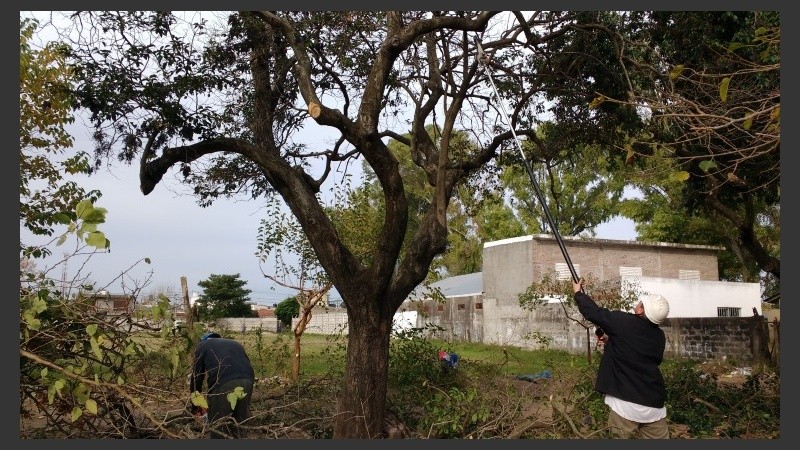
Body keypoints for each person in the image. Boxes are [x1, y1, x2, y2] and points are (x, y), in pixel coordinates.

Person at [573, 279, 671, 439]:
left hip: (626, 404)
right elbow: (641, 355)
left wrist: (578, 293)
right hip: (653, 404)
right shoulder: (659, 336)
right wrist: (612, 342)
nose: (638, 303)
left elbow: (594, 313)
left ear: (641, 310)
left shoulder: (624, 322)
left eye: (641, 303)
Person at [190, 331, 255, 439]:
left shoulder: (203, 345)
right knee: (239, 426)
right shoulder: (236, 344)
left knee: (218, 427)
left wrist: (195, 407)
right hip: (248, 380)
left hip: (224, 383)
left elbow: (197, 377)